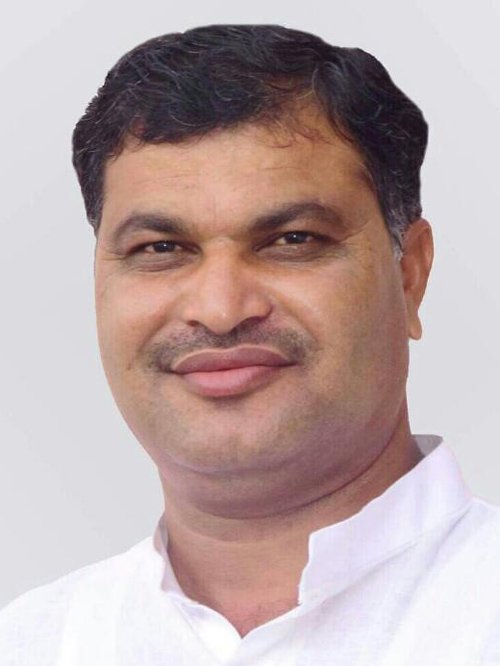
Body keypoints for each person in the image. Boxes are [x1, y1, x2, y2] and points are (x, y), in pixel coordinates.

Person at [1, 23, 499, 665]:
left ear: (410, 275)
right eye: (161, 248)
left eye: (293, 240)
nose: (219, 310)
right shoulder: (30, 644)